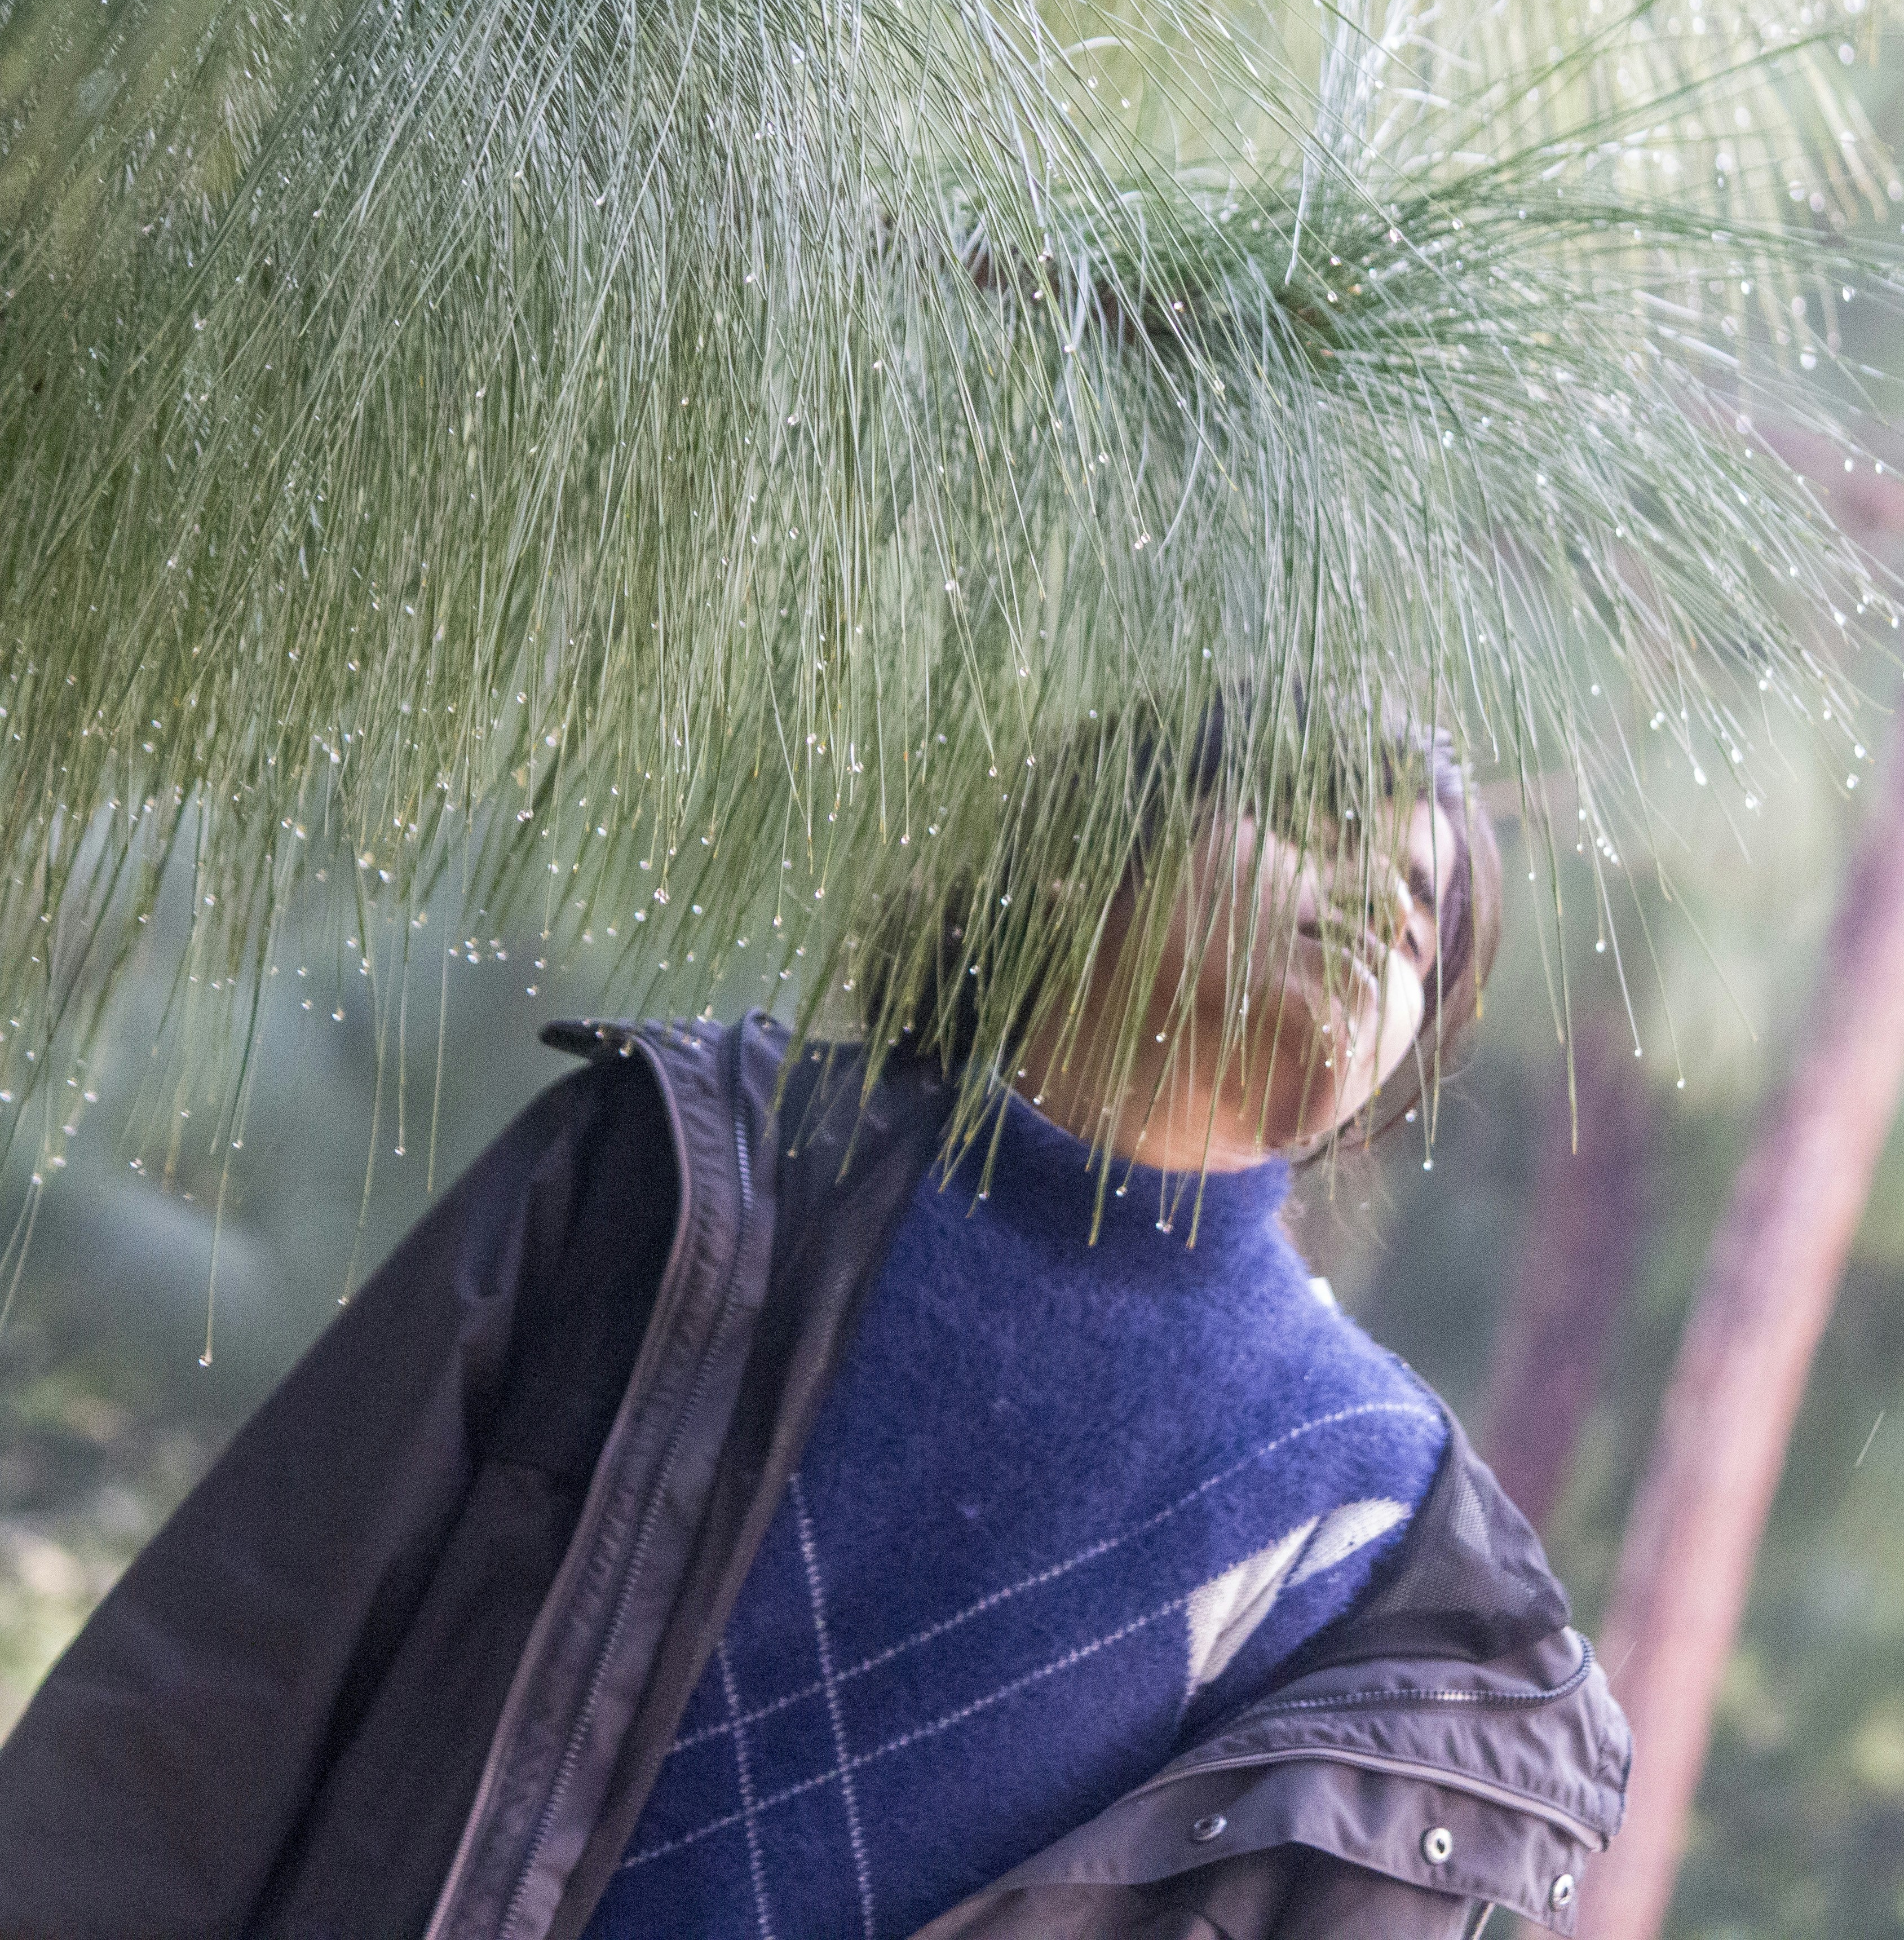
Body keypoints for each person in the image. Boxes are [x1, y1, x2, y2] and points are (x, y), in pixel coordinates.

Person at [0, 717, 1627, 1940]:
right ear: (1078, 853)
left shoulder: (1388, 1546)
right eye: (1307, 819)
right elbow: (228, 1677)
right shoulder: (699, 1176)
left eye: (1424, 912)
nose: (1375, 907)